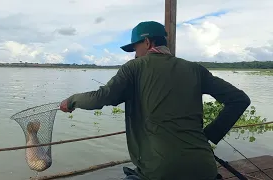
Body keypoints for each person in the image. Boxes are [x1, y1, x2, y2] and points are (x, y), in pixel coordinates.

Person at [59, 21, 251, 180]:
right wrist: (208, 134)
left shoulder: (133, 67)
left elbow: (101, 98)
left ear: (148, 42)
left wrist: (72, 100)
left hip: (160, 171)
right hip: (204, 168)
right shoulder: (195, 69)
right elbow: (239, 100)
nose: (135, 54)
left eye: (135, 47)